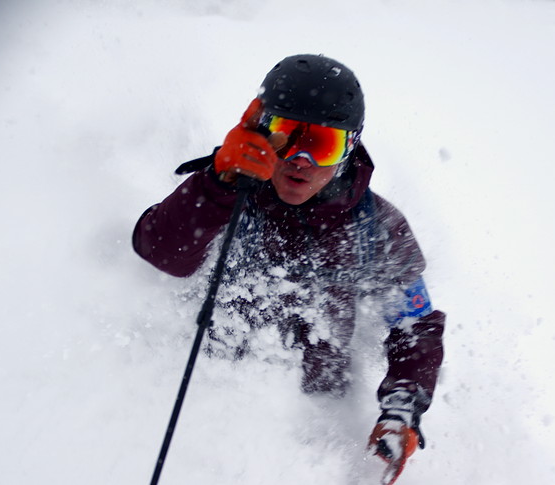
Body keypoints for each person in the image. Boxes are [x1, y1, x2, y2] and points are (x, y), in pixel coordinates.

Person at [132, 54, 445, 479]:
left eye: (322, 144)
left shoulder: (377, 230)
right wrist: (218, 183)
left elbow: (414, 326)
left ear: (349, 147)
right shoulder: (227, 189)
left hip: (309, 433)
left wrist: (400, 411)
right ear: (261, 131)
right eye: (285, 136)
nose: (301, 159)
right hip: (204, 409)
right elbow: (161, 253)